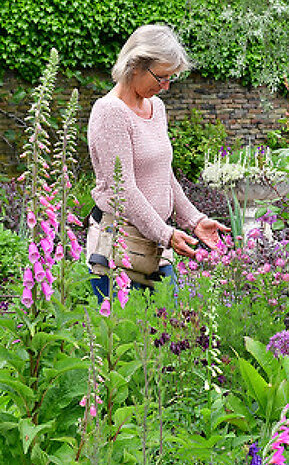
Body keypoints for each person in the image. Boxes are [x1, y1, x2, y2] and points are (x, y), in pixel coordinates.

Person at [85, 23, 229, 298]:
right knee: (125, 337)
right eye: (161, 77)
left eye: (170, 78)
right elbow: (122, 189)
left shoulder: (156, 107)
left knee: (172, 333)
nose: (165, 87)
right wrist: (166, 234)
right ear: (135, 65)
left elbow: (164, 175)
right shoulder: (110, 112)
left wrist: (194, 221)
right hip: (121, 249)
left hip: (156, 248)